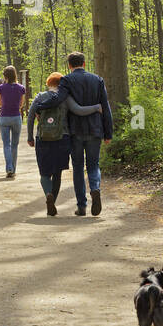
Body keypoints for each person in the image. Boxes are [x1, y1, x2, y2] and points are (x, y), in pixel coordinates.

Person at [34, 51, 113, 216]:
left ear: (69, 66)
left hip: (75, 131)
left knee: (78, 168)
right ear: (84, 64)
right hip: (95, 129)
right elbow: (105, 106)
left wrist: (39, 107)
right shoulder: (97, 80)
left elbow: (57, 99)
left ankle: (82, 206)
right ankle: (95, 189)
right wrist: (108, 132)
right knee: (93, 165)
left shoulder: (67, 80)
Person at [26, 72, 102, 216]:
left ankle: (49, 195)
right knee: (57, 173)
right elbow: (78, 111)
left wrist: (30, 137)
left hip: (42, 138)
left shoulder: (40, 97)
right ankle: (52, 200)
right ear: (61, 84)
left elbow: (30, 117)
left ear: (49, 83)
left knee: (44, 173)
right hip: (62, 138)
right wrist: (96, 107)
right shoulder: (65, 97)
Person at [0, 66, 28, 179]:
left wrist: (5, 103)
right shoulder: (21, 88)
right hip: (16, 118)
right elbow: (21, 104)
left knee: (6, 144)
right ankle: (13, 169)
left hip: (4, 117)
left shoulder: (1, 88)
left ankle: (9, 167)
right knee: (15, 145)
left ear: (5, 76)